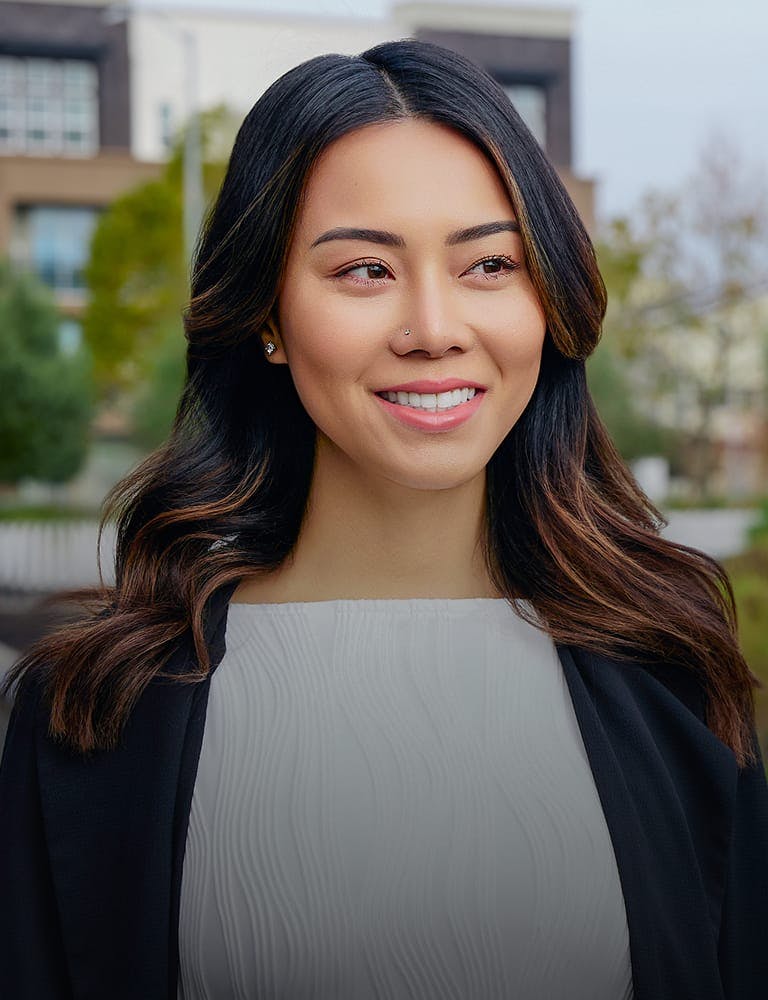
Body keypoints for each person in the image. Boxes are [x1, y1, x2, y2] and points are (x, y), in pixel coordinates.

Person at [0, 38, 766, 1000]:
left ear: (548, 300)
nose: (434, 329)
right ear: (267, 316)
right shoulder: (94, 711)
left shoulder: (672, 677)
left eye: (490, 263)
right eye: (365, 269)